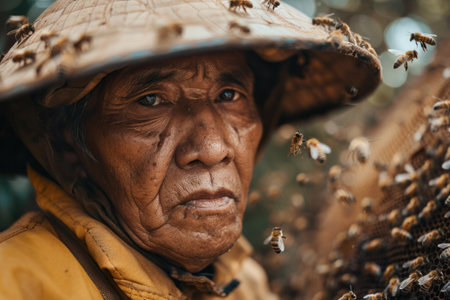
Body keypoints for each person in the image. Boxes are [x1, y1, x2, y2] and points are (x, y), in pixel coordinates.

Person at [0, 0, 381, 299]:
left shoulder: (242, 281)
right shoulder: (15, 281)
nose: (213, 149)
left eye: (229, 95)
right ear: (70, 147)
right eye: (150, 101)